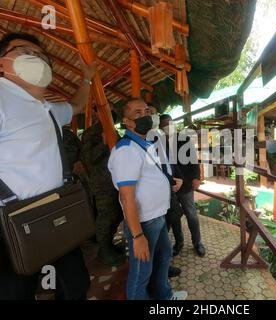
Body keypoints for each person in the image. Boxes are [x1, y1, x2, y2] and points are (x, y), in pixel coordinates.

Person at [0, 33, 95, 299]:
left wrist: (87, 76)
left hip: (55, 212)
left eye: (41, 55)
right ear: (2, 63)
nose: (36, 58)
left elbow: (76, 106)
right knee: (15, 293)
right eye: (24, 51)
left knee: (75, 287)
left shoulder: (47, 109)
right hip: (9, 221)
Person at [108, 98, 187, 300]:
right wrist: (137, 236)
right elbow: (126, 198)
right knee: (141, 271)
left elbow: (152, 174)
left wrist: (170, 181)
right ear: (127, 121)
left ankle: (164, 295)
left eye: (146, 111)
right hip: (143, 222)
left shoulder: (144, 142)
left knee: (163, 255)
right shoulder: (126, 150)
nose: (145, 116)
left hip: (157, 216)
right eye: (138, 113)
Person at [81, 104, 126, 267]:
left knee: (118, 214)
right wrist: (103, 144)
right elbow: (88, 159)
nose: (111, 114)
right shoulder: (89, 134)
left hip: (117, 180)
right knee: (106, 218)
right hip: (102, 183)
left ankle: (109, 245)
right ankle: (104, 251)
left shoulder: (113, 131)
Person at [159, 114, 206, 257]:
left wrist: (196, 178)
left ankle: (197, 242)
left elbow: (194, 160)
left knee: (191, 214)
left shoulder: (184, 139)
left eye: (170, 124)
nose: (168, 127)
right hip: (170, 187)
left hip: (185, 185)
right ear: (161, 128)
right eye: (165, 125)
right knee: (174, 217)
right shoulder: (159, 142)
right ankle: (178, 243)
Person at [148, 106, 183, 278]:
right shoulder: (142, 141)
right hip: (156, 195)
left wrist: (178, 177)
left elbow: (169, 161)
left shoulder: (160, 137)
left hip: (170, 191)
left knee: (167, 228)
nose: (152, 115)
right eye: (150, 112)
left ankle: (163, 267)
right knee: (155, 237)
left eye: (155, 112)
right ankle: (156, 273)